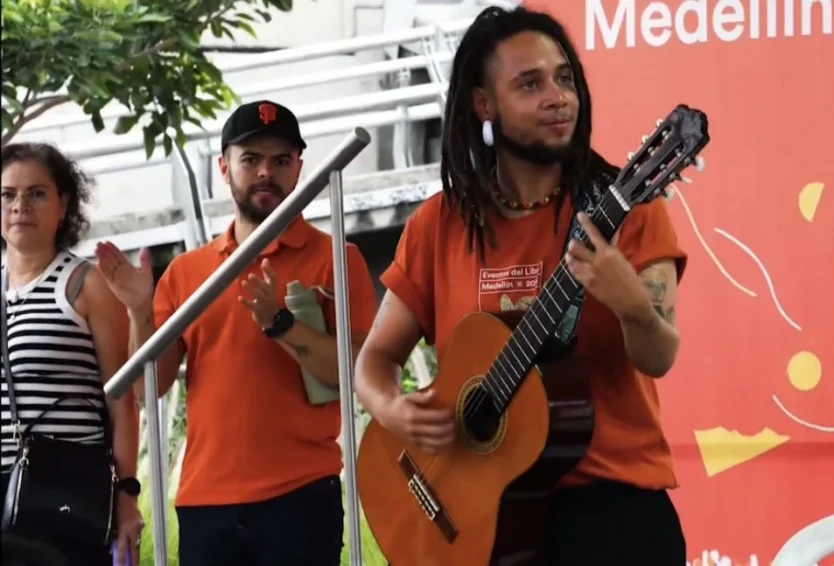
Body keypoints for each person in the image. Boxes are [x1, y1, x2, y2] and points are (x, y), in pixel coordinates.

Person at [354, 6, 688, 566]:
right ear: (484, 104)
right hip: (481, 517)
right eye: (530, 84)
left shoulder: (629, 212)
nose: (558, 97)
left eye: (564, 78)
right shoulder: (438, 225)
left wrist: (633, 307)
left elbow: (659, 355)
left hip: (612, 511)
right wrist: (393, 410)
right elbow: (373, 363)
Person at [94, 100, 378, 566]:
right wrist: (140, 312)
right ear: (224, 168)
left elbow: (355, 375)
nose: (266, 171)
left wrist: (280, 323)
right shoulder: (188, 272)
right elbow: (153, 388)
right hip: (206, 503)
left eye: (281, 160)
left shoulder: (337, 258)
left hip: (302, 494)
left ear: (300, 168)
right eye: (251, 159)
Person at [1, 142, 144, 565]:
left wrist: (127, 495)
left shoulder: (85, 283)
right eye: (7, 195)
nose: (20, 206)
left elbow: (121, 400)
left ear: (63, 204)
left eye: (37, 193)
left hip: (63, 497)